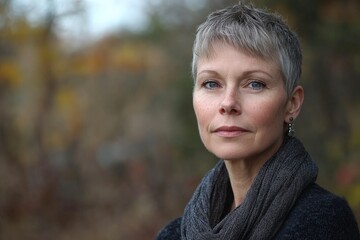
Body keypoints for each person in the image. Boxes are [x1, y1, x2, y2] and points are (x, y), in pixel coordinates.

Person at [157, 2, 360, 240]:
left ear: (292, 104)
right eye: (211, 83)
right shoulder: (173, 234)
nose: (228, 103)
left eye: (255, 84)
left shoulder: (324, 222)